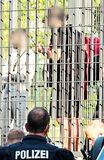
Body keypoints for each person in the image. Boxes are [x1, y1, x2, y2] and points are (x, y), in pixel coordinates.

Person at [38, 6, 83, 151]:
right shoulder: (75, 33)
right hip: (76, 80)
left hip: (63, 80)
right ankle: (75, 150)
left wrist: (44, 50)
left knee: (62, 118)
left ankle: (66, 150)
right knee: (74, 117)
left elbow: (56, 55)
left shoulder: (59, 33)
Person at [1, 29, 36, 133]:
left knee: (19, 125)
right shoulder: (12, 54)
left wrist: (10, 75)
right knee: (4, 125)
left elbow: (25, 77)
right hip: (8, 90)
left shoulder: (30, 55)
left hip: (20, 91)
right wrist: (11, 75)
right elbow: (3, 74)